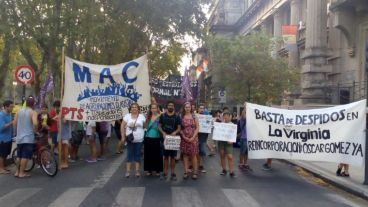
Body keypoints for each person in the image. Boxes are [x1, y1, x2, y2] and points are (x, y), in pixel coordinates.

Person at [14, 97, 38, 178]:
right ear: (33, 104)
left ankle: (17, 172)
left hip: (19, 137)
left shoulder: (18, 111)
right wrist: (36, 129)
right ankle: (22, 173)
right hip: (28, 137)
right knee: (25, 156)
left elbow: (14, 123)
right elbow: (35, 123)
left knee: (19, 156)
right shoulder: (33, 112)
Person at [121, 103, 146, 178]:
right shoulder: (127, 116)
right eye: (132, 107)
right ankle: (128, 171)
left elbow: (145, 126)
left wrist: (138, 125)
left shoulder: (142, 116)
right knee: (129, 155)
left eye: (135, 107)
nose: (134, 108)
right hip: (130, 139)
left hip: (139, 139)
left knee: (137, 154)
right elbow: (122, 126)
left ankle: (137, 171)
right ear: (130, 109)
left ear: (138, 109)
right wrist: (123, 136)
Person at [158, 101, 181, 181]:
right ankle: (165, 173)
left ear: (174, 107)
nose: (170, 106)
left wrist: (174, 132)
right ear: (167, 107)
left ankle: (173, 173)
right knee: (166, 157)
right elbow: (159, 126)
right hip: (165, 139)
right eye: (169, 105)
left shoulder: (177, 117)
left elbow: (179, 128)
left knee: (173, 157)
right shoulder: (162, 116)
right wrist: (163, 133)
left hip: (173, 139)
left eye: (172, 105)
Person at [180, 102, 199, 180]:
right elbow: (180, 129)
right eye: (186, 107)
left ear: (191, 108)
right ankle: (186, 172)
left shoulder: (194, 116)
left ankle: (195, 172)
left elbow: (197, 128)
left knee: (193, 156)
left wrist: (193, 137)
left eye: (189, 107)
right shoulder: (181, 117)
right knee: (185, 155)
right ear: (184, 108)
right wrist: (184, 137)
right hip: (184, 140)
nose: (187, 108)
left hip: (193, 140)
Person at [143, 103, 162, 176]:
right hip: (148, 137)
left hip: (157, 137)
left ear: (157, 109)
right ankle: (149, 170)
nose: (153, 109)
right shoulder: (148, 117)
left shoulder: (160, 116)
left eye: (155, 108)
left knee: (157, 154)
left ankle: (157, 170)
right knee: (148, 154)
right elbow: (145, 126)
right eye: (152, 108)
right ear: (150, 109)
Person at [218, 111, 236, 177]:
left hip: (229, 142)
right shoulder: (220, 124)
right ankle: (224, 169)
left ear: (229, 117)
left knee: (230, 157)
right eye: (224, 116)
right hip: (221, 142)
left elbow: (234, 135)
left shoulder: (232, 125)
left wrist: (232, 141)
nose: (225, 118)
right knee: (222, 155)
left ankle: (231, 171)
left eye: (227, 116)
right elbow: (217, 133)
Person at [0, 100, 14, 174]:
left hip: (9, 137)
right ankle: (1, 169)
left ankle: (3, 167)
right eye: (11, 107)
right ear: (6, 107)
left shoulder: (9, 114)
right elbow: (1, 127)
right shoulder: (1, 115)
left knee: (6, 153)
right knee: (2, 154)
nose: (12, 108)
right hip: (3, 138)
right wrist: (12, 122)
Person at [197, 104, 209, 173]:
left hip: (203, 137)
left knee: (202, 151)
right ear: (198, 109)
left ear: (204, 110)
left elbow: (209, 126)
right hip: (195, 136)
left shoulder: (207, 118)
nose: (201, 109)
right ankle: (196, 165)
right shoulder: (195, 116)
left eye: (203, 108)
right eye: (200, 108)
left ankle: (201, 165)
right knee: (195, 152)